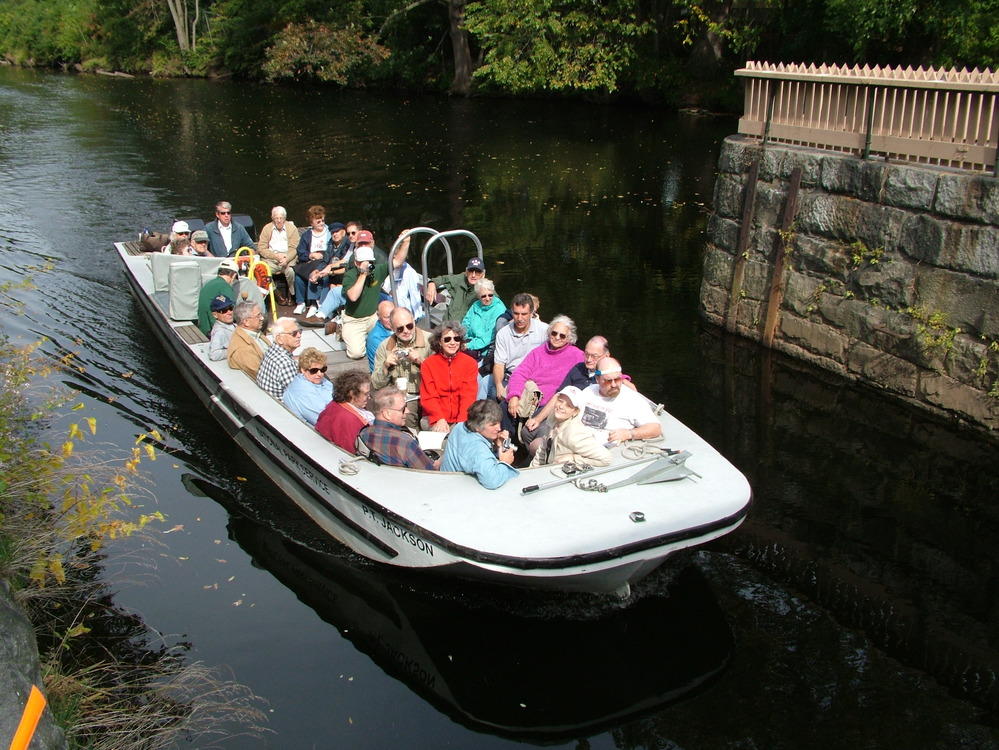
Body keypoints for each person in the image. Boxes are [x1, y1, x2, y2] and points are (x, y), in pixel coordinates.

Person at [507, 315, 584, 446]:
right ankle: (505, 443)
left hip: (551, 403)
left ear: (569, 338)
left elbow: (597, 365)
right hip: (530, 398)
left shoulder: (577, 355)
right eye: (554, 333)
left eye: (562, 335)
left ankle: (531, 453)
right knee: (505, 407)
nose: (557, 337)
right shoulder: (537, 352)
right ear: (549, 333)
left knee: (530, 431)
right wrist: (514, 396)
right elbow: (519, 373)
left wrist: (619, 379)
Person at [529, 335, 635, 425]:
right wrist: (538, 419)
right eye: (586, 354)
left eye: (594, 356)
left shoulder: (607, 379)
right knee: (528, 430)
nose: (589, 359)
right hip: (563, 412)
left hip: (583, 421)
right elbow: (559, 395)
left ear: (606, 356)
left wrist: (622, 379)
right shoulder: (578, 368)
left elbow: (612, 374)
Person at [340, 229, 410, 360]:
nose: (366, 264)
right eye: (362, 261)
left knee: (392, 329)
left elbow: (397, 262)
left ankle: (371, 338)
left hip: (373, 317)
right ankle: (343, 329)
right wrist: (363, 274)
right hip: (354, 320)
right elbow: (353, 296)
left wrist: (405, 242)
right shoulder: (350, 275)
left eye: (369, 261)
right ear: (355, 262)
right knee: (356, 353)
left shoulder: (377, 271)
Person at [371, 307, 430, 434]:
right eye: (400, 328)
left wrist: (421, 362)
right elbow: (376, 384)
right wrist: (386, 366)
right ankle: (412, 440)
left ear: (414, 321)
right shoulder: (385, 346)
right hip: (403, 396)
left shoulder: (429, 341)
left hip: (429, 392)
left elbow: (441, 373)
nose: (406, 331)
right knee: (405, 417)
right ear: (392, 327)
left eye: (409, 326)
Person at [578, 357, 662, 445]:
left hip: (606, 447)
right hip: (578, 440)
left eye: (617, 379)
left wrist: (628, 434)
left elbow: (655, 428)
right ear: (597, 379)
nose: (614, 385)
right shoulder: (589, 391)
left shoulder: (632, 399)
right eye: (608, 381)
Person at [441, 399, 518, 489]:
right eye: (493, 424)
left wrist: (495, 444)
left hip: (445, 482)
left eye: (498, 422)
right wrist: (505, 463)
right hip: (458, 490)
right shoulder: (478, 449)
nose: (499, 428)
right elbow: (492, 481)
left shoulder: (459, 427)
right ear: (477, 427)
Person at [529, 386, 612, 467]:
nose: (561, 406)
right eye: (560, 401)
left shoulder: (575, 435)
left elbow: (606, 459)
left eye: (568, 405)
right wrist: (532, 469)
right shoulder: (553, 417)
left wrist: (573, 458)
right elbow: (542, 449)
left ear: (575, 412)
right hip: (548, 466)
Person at [419, 321, 478, 433]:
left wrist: (461, 423)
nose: (452, 343)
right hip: (435, 416)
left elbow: (468, 396)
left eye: (456, 339)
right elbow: (429, 396)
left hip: (461, 417)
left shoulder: (470, 364)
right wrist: (439, 418)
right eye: (447, 339)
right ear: (439, 342)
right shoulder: (428, 364)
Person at [359, 388, 437, 470]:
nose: (407, 411)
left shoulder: (363, 434)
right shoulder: (405, 442)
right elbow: (430, 471)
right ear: (387, 414)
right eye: (403, 409)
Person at [492, 293, 547, 401]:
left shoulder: (544, 330)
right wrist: (499, 385)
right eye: (516, 314)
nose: (520, 318)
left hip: (536, 379)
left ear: (531, 313)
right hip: (511, 376)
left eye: (524, 314)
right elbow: (499, 364)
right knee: (494, 392)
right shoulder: (503, 334)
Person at [315, 370, 372, 452]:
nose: (369, 397)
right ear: (352, 393)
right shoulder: (347, 419)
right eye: (366, 394)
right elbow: (351, 450)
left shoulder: (337, 405)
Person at [256, 206, 301, 305]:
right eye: (276, 218)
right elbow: (261, 248)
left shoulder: (292, 228)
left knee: (291, 272)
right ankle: (276, 293)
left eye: (281, 218)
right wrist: (275, 256)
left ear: (285, 218)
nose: (279, 221)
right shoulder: (267, 228)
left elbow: (294, 248)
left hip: (288, 258)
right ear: (273, 218)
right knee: (262, 271)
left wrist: (286, 258)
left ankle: (291, 293)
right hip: (272, 259)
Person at [293, 205, 332, 315]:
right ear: (312, 223)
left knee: (315, 273)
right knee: (299, 276)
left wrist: (322, 255)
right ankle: (301, 303)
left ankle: (315, 304)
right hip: (310, 262)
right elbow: (301, 252)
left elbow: (332, 250)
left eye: (323, 221)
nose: (321, 223)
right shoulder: (306, 235)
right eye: (318, 222)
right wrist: (311, 255)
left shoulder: (329, 233)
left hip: (324, 262)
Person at [283, 348, 334, 426]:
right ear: (303, 370)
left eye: (323, 369)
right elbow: (326, 421)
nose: (319, 374)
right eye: (314, 370)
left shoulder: (317, 380)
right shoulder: (304, 393)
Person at [424, 257, 485, 321]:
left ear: (483, 275)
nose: (473, 275)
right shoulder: (459, 279)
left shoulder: (485, 288)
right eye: (471, 271)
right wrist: (432, 284)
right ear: (466, 272)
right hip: (449, 323)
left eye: (478, 272)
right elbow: (444, 279)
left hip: (468, 325)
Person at [256, 317, 301, 399]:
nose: (299, 335)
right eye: (293, 333)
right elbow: (300, 393)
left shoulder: (271, 350)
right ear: (279, 338)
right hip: (282, 405)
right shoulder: (286, 364)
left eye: (299, 331)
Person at [227, 301, 270, 380]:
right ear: (246, 322)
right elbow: (263, 376)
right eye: (258, 316)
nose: (262, 318)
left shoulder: (254, 332)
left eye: (261, 314)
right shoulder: (243, 350)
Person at [197, 259, 239, 336]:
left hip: (203, 327)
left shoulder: (209, 284)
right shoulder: (225, 287)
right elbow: (233, 311)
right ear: (233, 275)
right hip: (214, 330)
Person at [366, 300, 395, 371]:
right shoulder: (375, 338)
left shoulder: (402, 328)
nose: (391, 320)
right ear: (379, 316)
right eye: (387, 317)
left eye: (393, 315)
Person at [207, 294, 236, 361]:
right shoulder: (219, 331)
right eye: (224, 310)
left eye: (230, 308)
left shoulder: (233, 324)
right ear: (215, 315)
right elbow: (213, 355)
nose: (229, 312)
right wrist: (234, 351)